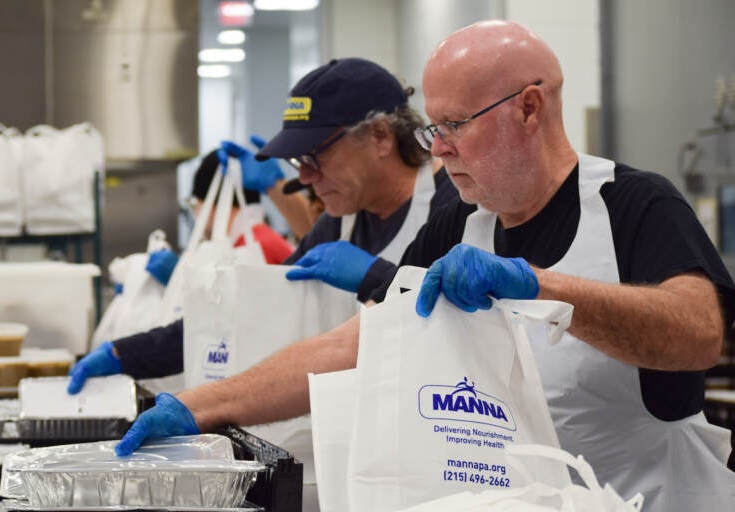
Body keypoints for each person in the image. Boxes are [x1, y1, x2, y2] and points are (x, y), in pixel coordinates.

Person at [114, 21, 735, 510]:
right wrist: (203, 406)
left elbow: (699, 332)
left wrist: (541, 286)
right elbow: (349, 347)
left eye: (456, 125)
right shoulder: (459, 223)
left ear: (529, 109)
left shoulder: (632, 203)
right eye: (435, 126)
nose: (437, 148)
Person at [67, 56, 457, 392]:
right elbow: (250, 315)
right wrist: (125, 354)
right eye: (297, 163)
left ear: (380, 137)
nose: (304, 179)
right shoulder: (339, 223)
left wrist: (381, 278)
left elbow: (458, 336)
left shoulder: (453, 210)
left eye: (314, 158)